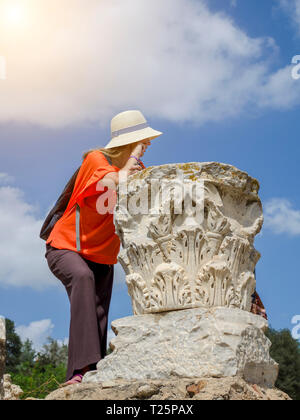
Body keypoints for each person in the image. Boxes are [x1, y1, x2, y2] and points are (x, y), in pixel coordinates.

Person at [44, 110, 163, 385]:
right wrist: (133, 158)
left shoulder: (136, 171)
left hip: (101, 257)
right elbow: (109, 181)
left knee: (98, 309)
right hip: (65, 248)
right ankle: (79, 371)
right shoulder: (96, 160)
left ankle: (92, 371)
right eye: (143, 140)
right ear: (130, 142)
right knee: (82, 278)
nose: (148, 145)